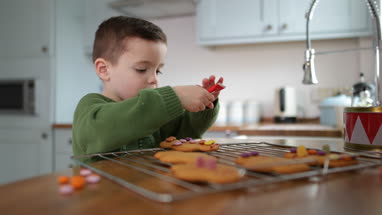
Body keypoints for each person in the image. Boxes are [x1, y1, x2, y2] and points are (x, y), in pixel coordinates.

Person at [72, 16, 224, 162]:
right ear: (104, 69)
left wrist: (205, 103)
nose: (154, 79)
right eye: (142, 69)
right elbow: (106, 128)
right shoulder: (89, 109)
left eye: (158, 71)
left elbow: (186, 130)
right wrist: (175, 96)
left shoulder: (155, 115)